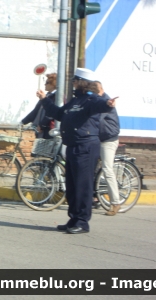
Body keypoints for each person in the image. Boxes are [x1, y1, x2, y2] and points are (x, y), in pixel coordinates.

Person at [37, 68, 117, 234]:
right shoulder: (75, 101)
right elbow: (59, 113)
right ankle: (73, 219)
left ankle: (82, 222)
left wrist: (108, 104)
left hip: (86, 147)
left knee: (83, 186)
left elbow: (101, 105)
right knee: (72, 186)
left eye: (75, 79)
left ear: (82, 82)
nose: (72, 81)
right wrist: (44, 99)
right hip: (73, 146)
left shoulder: (91, 99)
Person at [95, 81, 121, 216]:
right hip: (98, 138)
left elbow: (96, 118)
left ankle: (115, 202)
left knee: (107, 169)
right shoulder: (98, 101)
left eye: (95, 92)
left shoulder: (105, 101)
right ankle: (93, 196)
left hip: (108, 139)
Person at [22, 73, 57, 139]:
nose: (45, 84)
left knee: (47, 148)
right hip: (41, 130)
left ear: (53, 84)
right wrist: (23, 122)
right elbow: (36, 110)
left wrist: (42, 125)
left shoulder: (57, 97)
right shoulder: (47, 95)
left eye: (47, 82)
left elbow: (51, 113)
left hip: (50, 130)